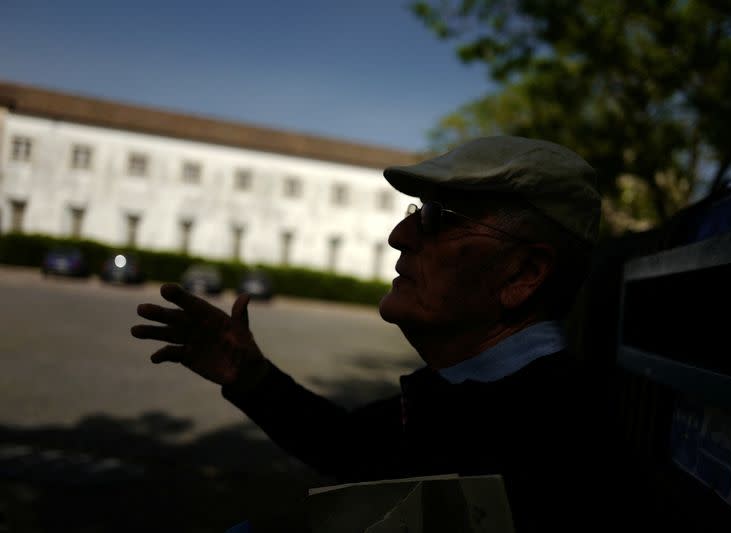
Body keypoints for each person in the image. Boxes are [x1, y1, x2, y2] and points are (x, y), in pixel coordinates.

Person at [131, 136, 613, 531]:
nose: (399, 236)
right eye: (415, 212)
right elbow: (358, 450)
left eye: (437, 218)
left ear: (523, 273)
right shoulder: (487, 392)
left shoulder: (545, 443)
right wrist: (251, 376)